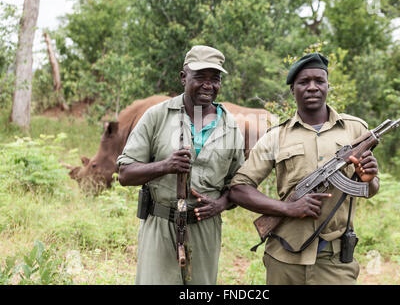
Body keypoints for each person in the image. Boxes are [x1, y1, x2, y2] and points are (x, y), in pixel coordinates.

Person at [228, 52, 380, 285]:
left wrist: (368, 179)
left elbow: (369, 190)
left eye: (319, 81)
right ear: (292, 89)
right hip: (285, 260)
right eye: (303, 82)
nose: (312, 87)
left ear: (328, 85)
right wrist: (287, 208)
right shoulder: (275, 136)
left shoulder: (355, 130)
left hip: (335, 262)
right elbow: (239, 189)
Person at [116, 45, 245, 285]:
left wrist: (220, 204)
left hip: (205, 227)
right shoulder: (156, 116)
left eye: (215, 79)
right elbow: (124, 173)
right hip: (160, 223)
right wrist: (164, 166)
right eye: (200, 78)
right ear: (183, 77)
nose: (208, 85)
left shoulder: (231, 127)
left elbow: (238, 185)